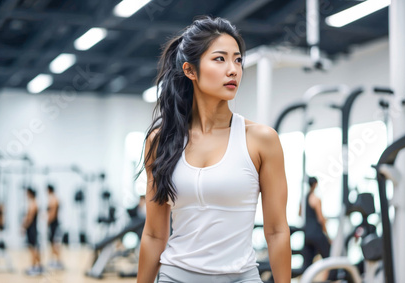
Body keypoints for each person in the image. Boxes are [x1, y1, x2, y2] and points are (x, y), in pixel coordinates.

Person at [137, 16, 290, 283]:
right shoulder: (161, 141)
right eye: (220, 59)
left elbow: (277, 230)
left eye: (238, 59)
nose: (233, 70)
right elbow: (153, 234)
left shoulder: (261, 140)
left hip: (241, 277)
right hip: (176, 277)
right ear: (190, 70)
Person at [299, 177, 331, 278]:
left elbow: (299, 213)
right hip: (317, 233)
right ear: (315, 184)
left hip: (307, 234)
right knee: (330, 258)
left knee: (307, 265)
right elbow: (320, 219)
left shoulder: (303, 199)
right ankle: (330, 280)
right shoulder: (316, 199)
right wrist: (328, 235)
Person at [22, 187, 43, 276]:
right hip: (32, 228)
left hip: (31, 229)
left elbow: (29, 218)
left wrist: (23, 227)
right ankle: (38, 266)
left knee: (33, 248)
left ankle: (34, 267)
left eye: (27, 193)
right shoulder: (34, 203)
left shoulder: (33, 204)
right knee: (33, 248)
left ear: (30, 194)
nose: (26, 195)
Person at [46, 184, 64, 270]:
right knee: (52, 243)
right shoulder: (53, 199)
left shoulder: (53, 200)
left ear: (49, 190)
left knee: (54, 243)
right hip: (53, 223)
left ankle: (58, 261)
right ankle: (55, 260)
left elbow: (52, 214)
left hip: (53, 223)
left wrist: (48, 222)